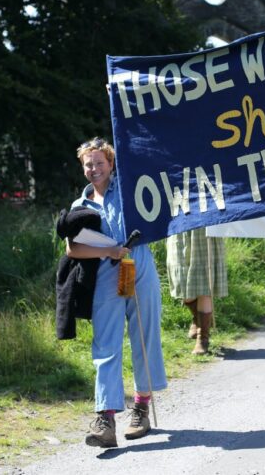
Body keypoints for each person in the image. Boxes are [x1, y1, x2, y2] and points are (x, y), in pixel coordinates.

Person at [66, 137, 166, 448]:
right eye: (88, 164)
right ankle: (105, 420)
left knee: (144, 336)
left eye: (99, 163)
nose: (93, 169)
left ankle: (141, 409)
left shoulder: (130, 188)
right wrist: (108, 249)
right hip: (105, 274)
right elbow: (73, 250)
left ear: (111, 163)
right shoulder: (79, 207)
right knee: (105, 345)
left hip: (139, 265)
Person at [167, 227, 227, 355]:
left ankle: (203, 338)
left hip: (205, 230)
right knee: (183, 285)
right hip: (179, 227)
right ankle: (197, 318)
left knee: (204, 286)